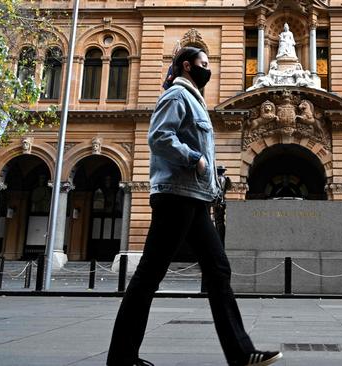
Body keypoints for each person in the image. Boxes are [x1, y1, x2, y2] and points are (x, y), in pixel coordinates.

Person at [107, 47, 283, 366]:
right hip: (177, 194)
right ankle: (121, 357)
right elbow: (159, 137)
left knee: (218, 270)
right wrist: (194, 158)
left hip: (195, 197)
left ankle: (242, 354)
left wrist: (210, 179)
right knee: (149, 274)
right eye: (203, 64)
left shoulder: (195, 99)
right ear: (187, 66)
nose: (208, 69)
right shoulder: (177, 95)